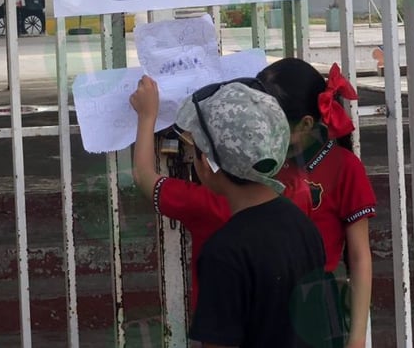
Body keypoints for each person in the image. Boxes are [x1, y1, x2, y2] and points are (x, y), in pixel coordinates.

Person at [133, 75, 340, 347]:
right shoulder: (303, 222)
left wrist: (147, 117)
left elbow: (143, 175)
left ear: (206, 164)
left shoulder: (223, 251)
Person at [259, 58, 376, 348]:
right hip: (260, 299)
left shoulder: (345, 167)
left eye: (271, 122)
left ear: (305, 124)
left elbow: (360, 257)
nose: (260, 128)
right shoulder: (260, 163)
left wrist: (358, 337)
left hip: (314, 308)